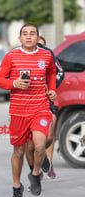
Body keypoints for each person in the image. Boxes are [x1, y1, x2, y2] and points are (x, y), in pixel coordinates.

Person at [0, 23, 57, 197]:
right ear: (20, 38)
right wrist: (14, 83)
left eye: (32, 34)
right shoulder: (11, 56)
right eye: (25, 34)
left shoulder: (46, 55)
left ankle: (35, 174)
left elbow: (52, 72)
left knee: (39, 146)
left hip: (40, 108)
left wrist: (52, 90)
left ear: (38, 38)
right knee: (19, 151)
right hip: (18, 112)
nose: (28, 36)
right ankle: (16, 187)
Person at [25, 36, 64, 180]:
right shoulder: (22, 56)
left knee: (49, 136)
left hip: (49, 100)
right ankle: (37, 168)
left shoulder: (48, 55)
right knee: (31, 140)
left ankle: (47, 159)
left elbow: (60, 73)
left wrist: (51, 87)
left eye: (42, 44)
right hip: (30, 102)